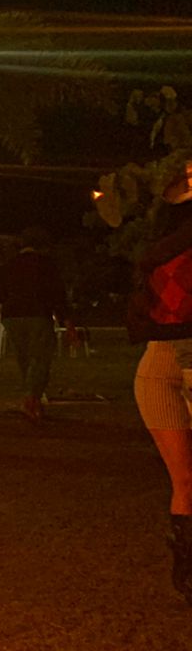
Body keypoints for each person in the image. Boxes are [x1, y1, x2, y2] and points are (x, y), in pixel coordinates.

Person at [128, 159, 192, 606]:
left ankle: (186, 572)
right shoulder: (162, 250)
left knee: (187, 480)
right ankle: (186, 569)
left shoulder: (155, 251)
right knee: (185, 479)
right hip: (167, 359)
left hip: (163, 360)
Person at [0, 227, 71, 422]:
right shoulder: (46, 265)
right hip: (38, 314)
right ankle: (32, 398)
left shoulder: (8, 265)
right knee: (40, 359)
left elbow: (0, 294)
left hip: (12, 316)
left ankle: (32, 399)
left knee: (24, 359)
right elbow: (57, 294)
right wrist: (66, 319)